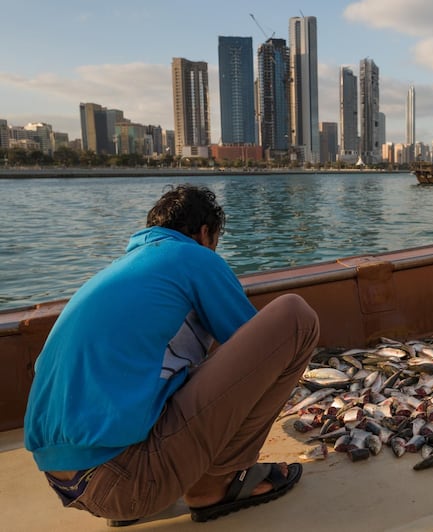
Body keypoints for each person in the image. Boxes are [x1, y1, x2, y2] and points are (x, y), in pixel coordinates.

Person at [24, 184, 320, 525]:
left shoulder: (122, 270)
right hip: (130, 481)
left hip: (72, 485)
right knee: (295, 318)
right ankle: (215, 485)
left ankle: (159, 483)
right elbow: (259, 350)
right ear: (206, 233)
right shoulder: (194, 256)